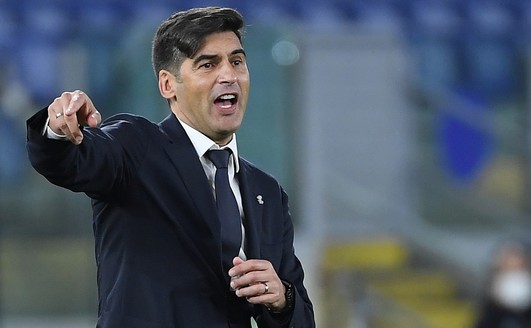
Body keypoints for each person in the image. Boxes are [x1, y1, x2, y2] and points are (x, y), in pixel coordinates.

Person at [26, 7, 315, 328]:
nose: (229, 75)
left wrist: (282, 298)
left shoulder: (267, 192)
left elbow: (300, 315)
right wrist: (58, 130)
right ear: (168, 85)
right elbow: (70, 162)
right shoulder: (136, 145)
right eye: (208, 64)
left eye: (237, 61)